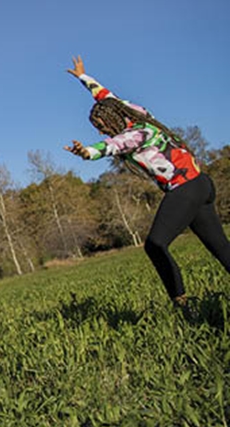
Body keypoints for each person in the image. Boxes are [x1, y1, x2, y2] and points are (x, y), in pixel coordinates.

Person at [63, 56, 230, 307]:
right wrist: (84, 78)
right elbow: (108, 98)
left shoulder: (135, 135)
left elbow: (112, 145)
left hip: (184, 189)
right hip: (201, 184)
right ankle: (186, 304)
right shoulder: (139, 114)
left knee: (155, 244)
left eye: (101, 126)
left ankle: (183, 304)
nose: (101, 131)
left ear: (112, 121)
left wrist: (87, 152)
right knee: (221, 248)